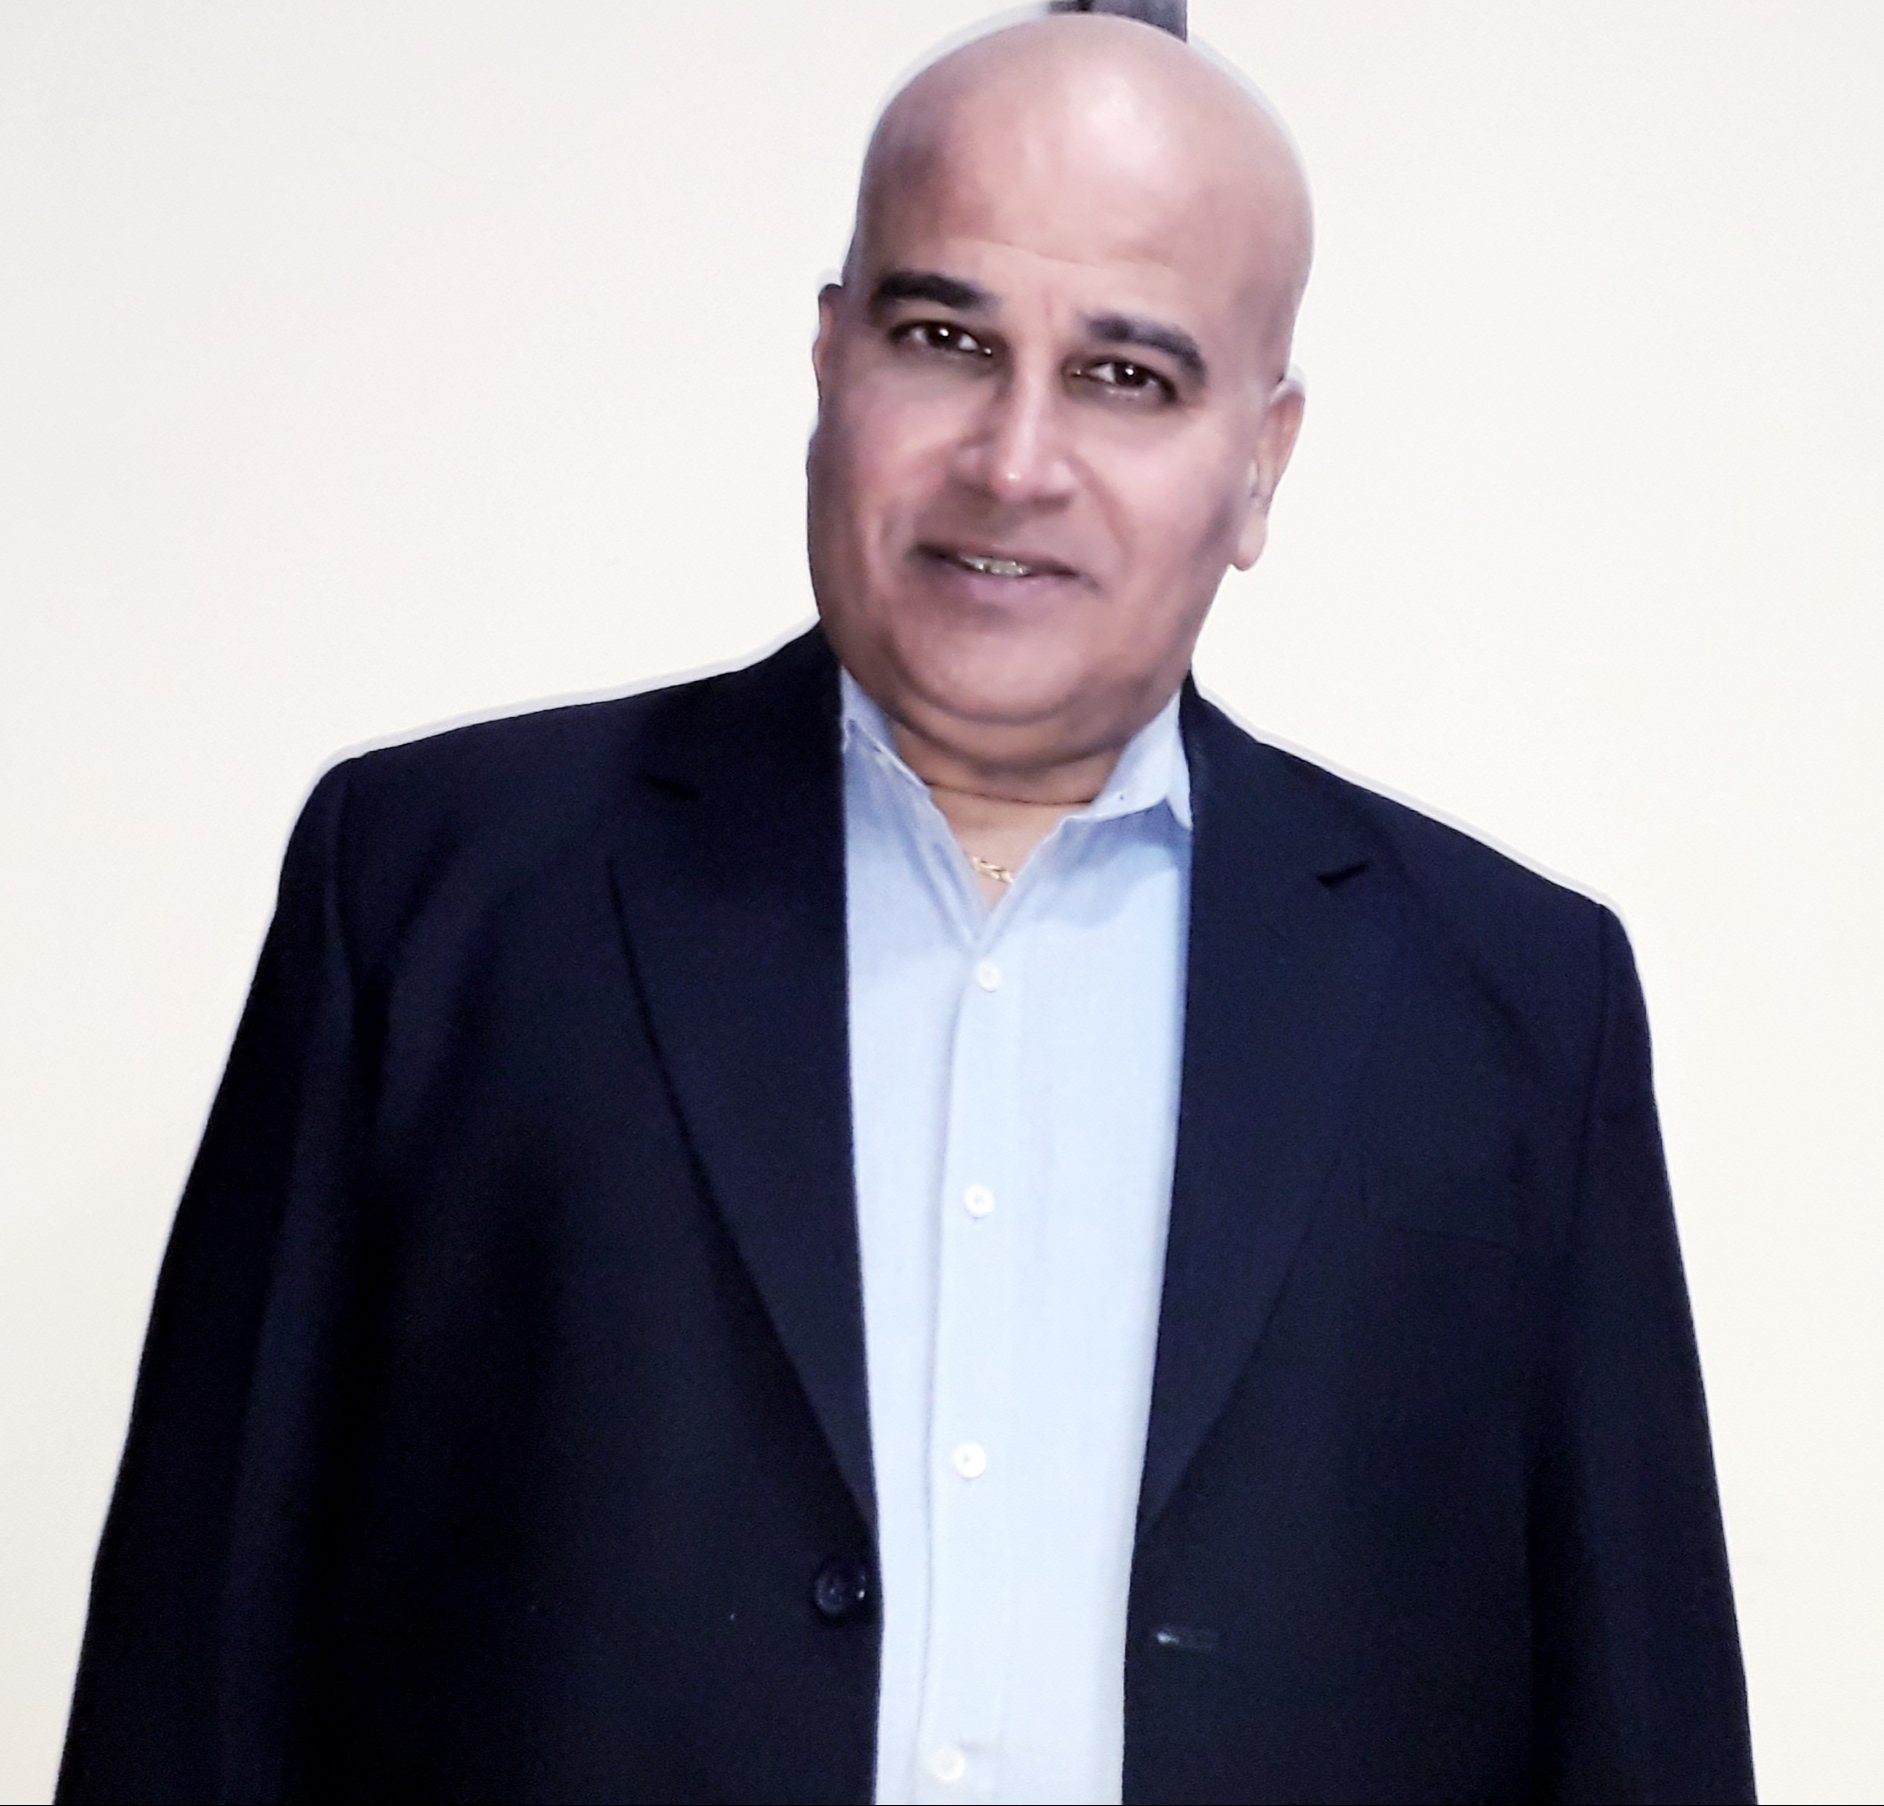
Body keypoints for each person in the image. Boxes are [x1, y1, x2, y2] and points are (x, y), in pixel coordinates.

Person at [58, 7, 1755, 1802]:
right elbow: (196, 1683)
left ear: (1263, 460)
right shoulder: (431, 896)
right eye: (945, 340)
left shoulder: (1513, 1004)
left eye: (1127, 376)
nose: (1013, 459)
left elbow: (1640, 1733)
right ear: (829, 359)